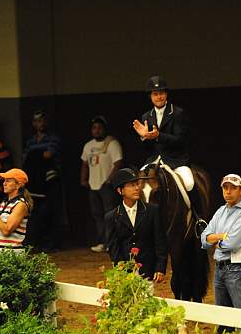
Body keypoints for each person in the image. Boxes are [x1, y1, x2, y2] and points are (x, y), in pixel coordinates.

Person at [132, 76, 203, 215]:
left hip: (176, 160)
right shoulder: (146, 116)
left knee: (189, 183)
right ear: (150, 96)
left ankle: (199, 219)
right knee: (137, 184)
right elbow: (147, 149)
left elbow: (180, 140)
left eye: (162, 93)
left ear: (166, 94)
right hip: (154, 160)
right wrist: (144, 137)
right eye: (155, 94)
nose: (159, 97)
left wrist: (158, 136)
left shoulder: (177, 113)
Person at [201, 174, 241, 334]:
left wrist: (216, 240)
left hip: (236, 270)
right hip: (220, 269)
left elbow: (231, 243)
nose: (228, 191)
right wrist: (220, 236)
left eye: (233, 188)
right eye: (225, 187)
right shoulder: (221, 210)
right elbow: (204, 238)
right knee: (223, 318)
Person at [104, 168, 167, 283]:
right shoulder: (111, 217)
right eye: (131, 185)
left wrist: (160, 268)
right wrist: (121, 271)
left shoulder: (152, 211)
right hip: (124, 274)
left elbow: (160, 241)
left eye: (137, 184)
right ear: (120, 190)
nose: (137, 188)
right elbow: (114, 248)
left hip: (148, 271)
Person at [80, 115, 123, 252]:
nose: (97, 130)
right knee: (97, 215)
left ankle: (113, 242)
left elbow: (118, 164)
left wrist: (109, 180)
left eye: (99, 128)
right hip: (93, 186)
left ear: (104, 129)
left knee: (110, 215)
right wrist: (83, 179)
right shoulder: (88, 146)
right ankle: (103, 242)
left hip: (107, 186)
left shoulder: (112, 143)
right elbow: (85, 164)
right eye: (94, 128)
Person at [22, 110, 63, 252]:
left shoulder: (53, 138)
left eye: (42, 120)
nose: (39, 123)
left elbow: (48, 154)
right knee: (37, 214)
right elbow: (27, 159)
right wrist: (38, 155)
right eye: (36, 121)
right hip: (35, 183)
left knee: (52, 212)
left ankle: (53, 243)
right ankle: (38, 242)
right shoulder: (30, 141)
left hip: (51, 181)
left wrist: (36, 155)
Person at [0, 169, 32, 255]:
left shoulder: (20, 204)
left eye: (8, 181)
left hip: (11, 256)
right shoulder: (3, 203)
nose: (4, 183)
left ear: (18, 185)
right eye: (4, 180)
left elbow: (6, 231)